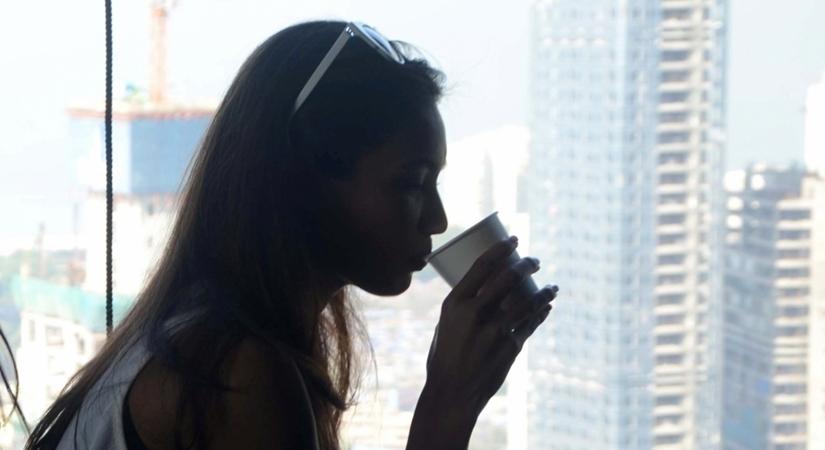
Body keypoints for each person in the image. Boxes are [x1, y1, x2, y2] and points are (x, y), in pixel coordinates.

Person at [25, 20, 557, 450]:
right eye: (411, 183)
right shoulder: (239, 374)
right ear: (303, 179)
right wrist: (448, 405)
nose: (438, 220)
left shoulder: (199, 334)